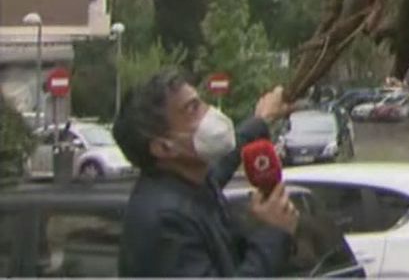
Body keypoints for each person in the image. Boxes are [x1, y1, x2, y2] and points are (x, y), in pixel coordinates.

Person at [112, 68, 300, 277]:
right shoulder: (164, 223)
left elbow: (225, 161)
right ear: (164, 147)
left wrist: (262, 119)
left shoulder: (191, 182)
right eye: (192, 109)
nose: (209, 113)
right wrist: (274, 233)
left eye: (201, 102)